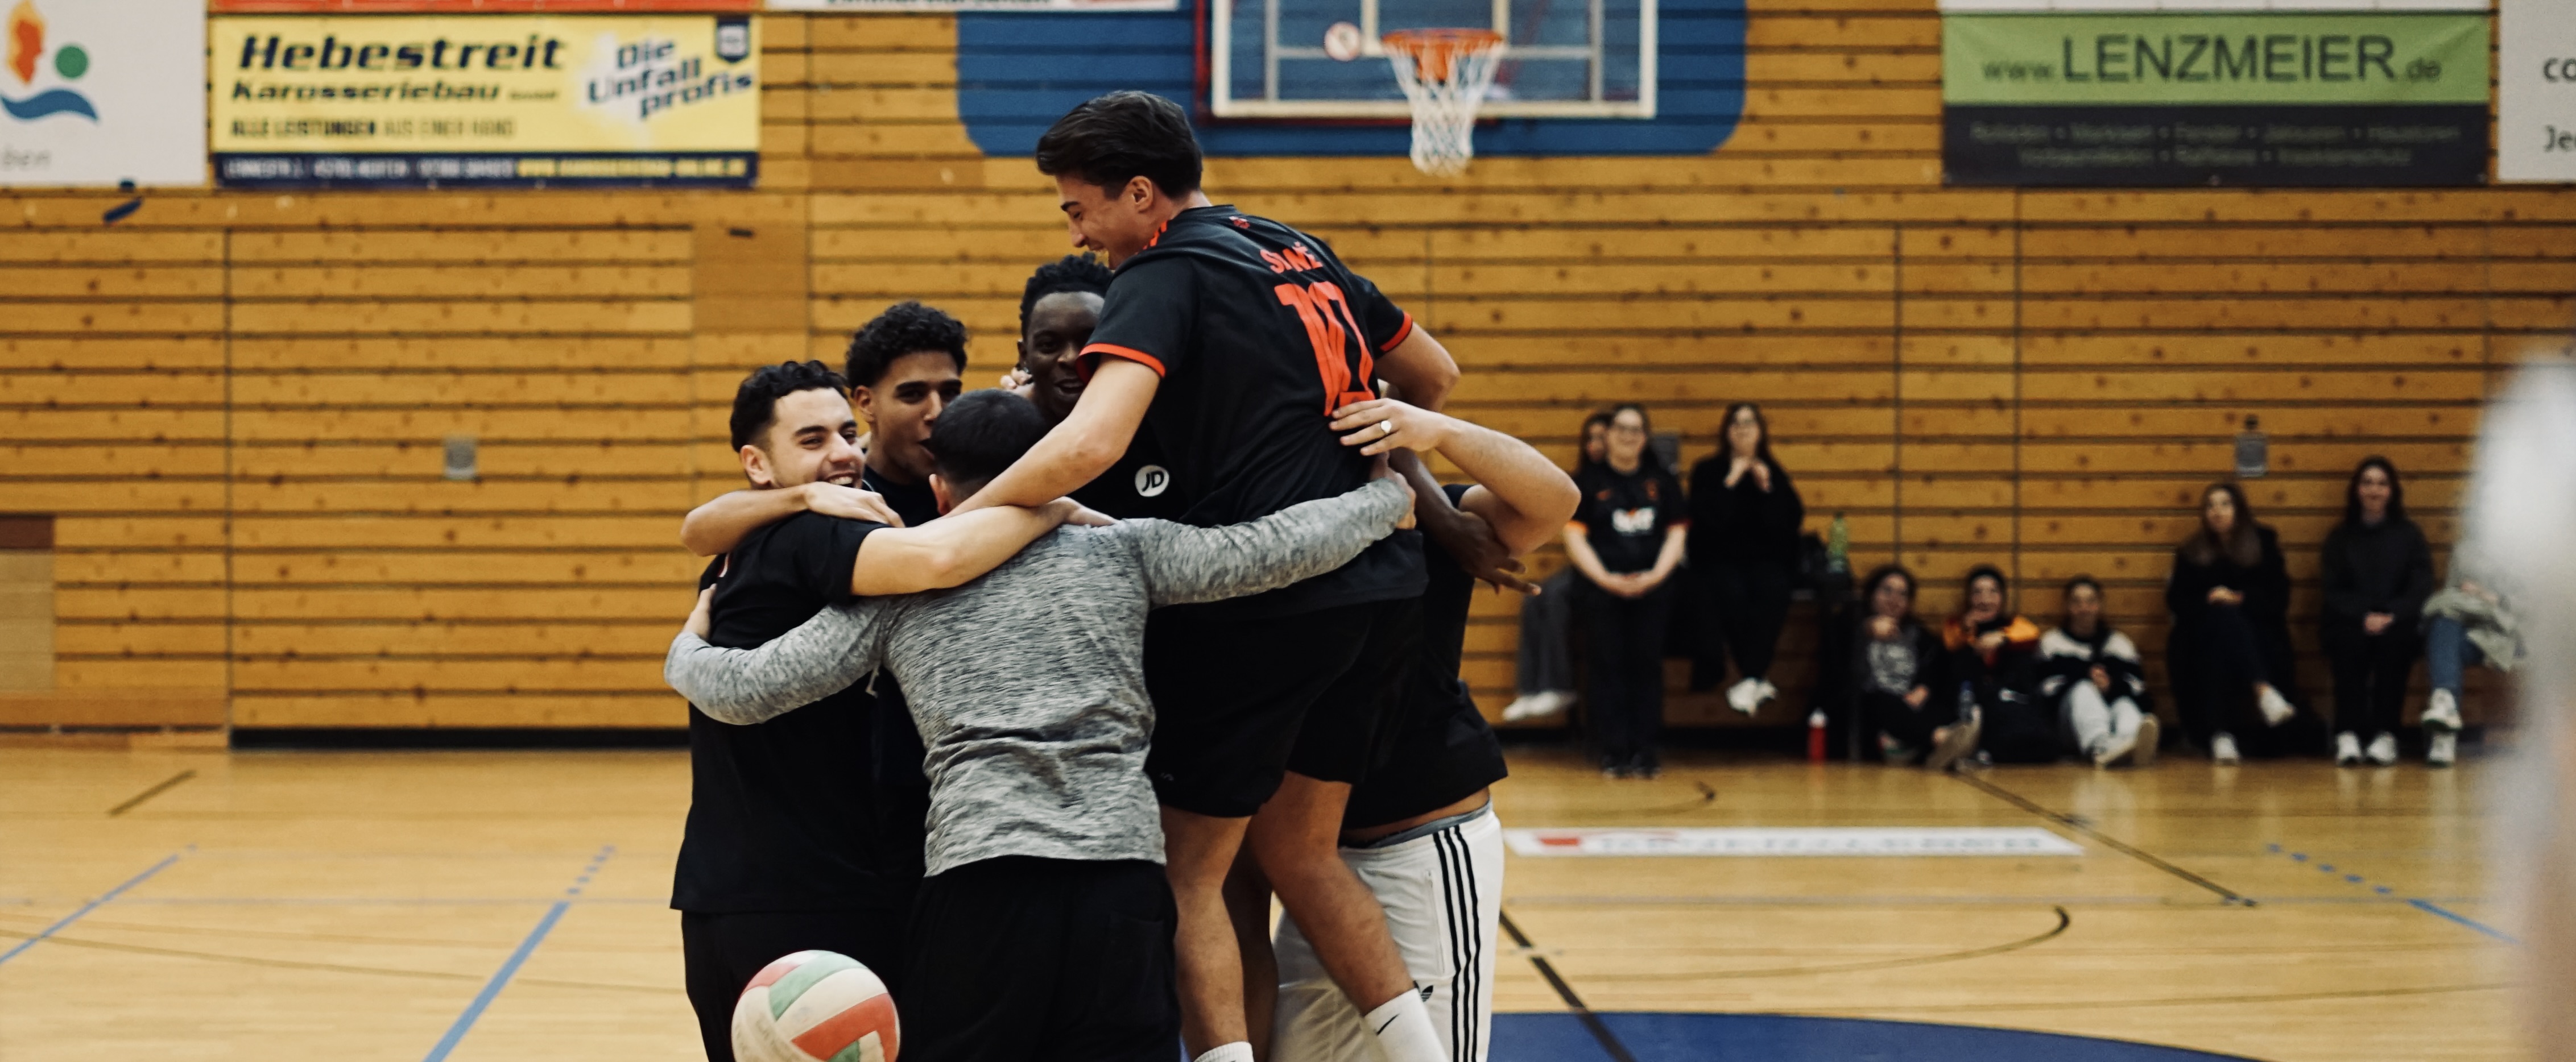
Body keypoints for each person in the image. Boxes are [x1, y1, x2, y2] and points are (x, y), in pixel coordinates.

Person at [940, 92, 1474, 1062]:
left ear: (1139, 194)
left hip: (1271, 600)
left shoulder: (1161, 272)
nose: (1078, 233)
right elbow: (1432, 378)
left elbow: (1086, 444)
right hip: (1382, 588)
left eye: (1078, 209)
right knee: (1300, 854)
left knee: (1187, 874)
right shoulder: (1292, 244)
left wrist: (961, 524)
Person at [668, 389, 1417, 1062]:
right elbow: (1271, 549)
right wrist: (1386, 496)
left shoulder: (902, 593)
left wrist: (685, 653)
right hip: (1119, 879)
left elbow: (751, 691)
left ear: (937, 486)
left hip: (980, 888)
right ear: (1044, 468)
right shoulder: (1124, 550)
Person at [674, 363, 1088, 1062]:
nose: (841, 451)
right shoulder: (814, 533)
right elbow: (939, 557)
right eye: (810, 439)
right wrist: (1050, 501)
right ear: (757, 462)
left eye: (845, 431)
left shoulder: (751, 537)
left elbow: (699, 525)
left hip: (748, 888)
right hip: (799, 898)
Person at [1260, 396, 1578, 1062]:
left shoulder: (1433, 515)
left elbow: (1553, 501)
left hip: (1422, 846)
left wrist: (1438, 429)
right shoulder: (1271, 521)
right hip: (1320, 859)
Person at [1565, 403, 1689, 778]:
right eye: (1621, 429)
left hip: (1652, 591)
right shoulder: (1587, 482)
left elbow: (1677, 533)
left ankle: (1645, 751)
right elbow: (1573, 536)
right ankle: (1612, 750)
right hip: (1602, 591)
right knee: (1606, 667)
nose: (1627, 436)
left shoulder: (1661, 482)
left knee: (1646, 667)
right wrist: (1605, 578)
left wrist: (1654, 576)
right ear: (1609, 435)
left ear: (1644, 439)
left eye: (1635, 430)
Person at [1011, 254, 1183, 520]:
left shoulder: (1167, 428)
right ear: (1024, 356)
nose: (1070, 358)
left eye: (1090, 340)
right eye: (1049, 345)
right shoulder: (1002, 436)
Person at [2166, 483, 2305, 764]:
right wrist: (2211, 600)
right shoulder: (2191, 551)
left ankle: (2221, 735)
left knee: (2228, 625)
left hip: (2257, 628)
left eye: (2225, 504)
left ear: (2239, 509)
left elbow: (2279, 596)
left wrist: (2239, 599)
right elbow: (2177, 601)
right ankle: (2263, 692)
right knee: (2220, 622)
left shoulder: (2263, 542)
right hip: (2203, 630)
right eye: (2211, 506)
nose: (2217, 512)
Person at [1686, 402, 1805, 715]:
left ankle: (1752, 675)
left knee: (1775, 589)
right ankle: (1754, 675)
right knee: (1730, 591)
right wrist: (1730, 481)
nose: (1743, 429)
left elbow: (1786, 527)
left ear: (1760, 432)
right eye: (1736, 423)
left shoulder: (1772, 471)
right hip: (1718, 562)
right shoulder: (1708, 471)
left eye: (1750, 423)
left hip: (1764, 563)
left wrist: (1766, 488)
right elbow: (1706, 524)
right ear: (1727, 432)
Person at [2319, 457, 2435, 768]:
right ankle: (2348, 733)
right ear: (2357, 490)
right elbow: (2333, 590)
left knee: (2395, 646)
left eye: (2382, 483)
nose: (2374, 490)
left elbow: (2421, 585)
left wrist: (2392, 614)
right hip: (2349, 619)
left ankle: (2386, 734)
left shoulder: (2410, 535)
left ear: (2392, 491)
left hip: (2397, 620)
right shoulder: (2340, 538)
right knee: (2348, 645)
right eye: (2367, 483)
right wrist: (2362, 616)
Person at [1500, 410, 1611, 723]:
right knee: (1534, 594)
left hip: (1614, 568)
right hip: (1586, 566)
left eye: (1601, 437)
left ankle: (1557, 685)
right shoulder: (1580, 482)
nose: (1595, 445)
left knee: (1555, 596)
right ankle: (1530, 689)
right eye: (1590, 438)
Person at [1833, 565, 1974, 769]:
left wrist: (1923, 688)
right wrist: (1864, 630)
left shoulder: (1917, 634)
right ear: (1872, 594)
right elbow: (1835, 660)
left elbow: (1934, 667)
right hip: (1870, 704)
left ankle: (1910, 750)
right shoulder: (1850, 623)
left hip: (1907, 702)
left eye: (1903, 594)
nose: (1894, 599)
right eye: (1887, 591)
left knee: (1942, 708)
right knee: (1881, 703)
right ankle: (1939, 739)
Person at [2421, 534, 2523, 769]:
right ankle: (2444, 709)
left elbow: (2532, 606)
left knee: (2445, 642)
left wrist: (2491, 598)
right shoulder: (2465, 550)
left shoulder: (2529, 548)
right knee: (2444, 624)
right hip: (2469, 626)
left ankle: (2443, 733)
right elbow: (2453, 595)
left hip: (2506, 634)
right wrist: (2474, 600)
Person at [2039, 576, 2158, 769]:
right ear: (2067, 607)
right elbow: (2046, 692)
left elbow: (2140, 692)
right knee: (2083, 690)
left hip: (2112, 715)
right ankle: (2101, 746)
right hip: (2070, 727)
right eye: (2076, 602)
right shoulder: (2052, 643)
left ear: (2100, 605)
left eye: (2090, 602)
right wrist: (2087, 679)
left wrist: (2111, 687)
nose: (2084, 608)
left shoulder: (2120, 644)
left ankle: (2131, 742)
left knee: (2125, 703)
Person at [1942, 565, 2052, 765]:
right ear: (1968, 598)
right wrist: (1968, 633)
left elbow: (2032, 635)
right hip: (1972, 700)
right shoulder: (1957, 626)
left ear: (2002, 598)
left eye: (1993, 592)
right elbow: (1950, 644)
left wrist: (2002, 638)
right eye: (1978, 593)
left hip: (2008, 699)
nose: (1985, 600)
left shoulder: (2014, 624)